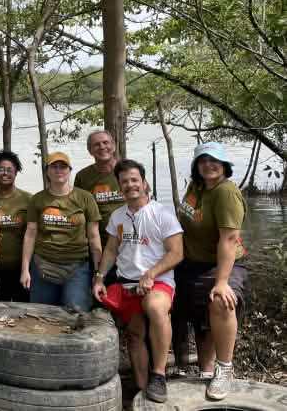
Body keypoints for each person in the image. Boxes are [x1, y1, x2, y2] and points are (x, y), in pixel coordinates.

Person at [93, 159, 183, 403]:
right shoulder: (118, 216)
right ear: (119, 187)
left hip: (159, 281)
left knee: (155, 307)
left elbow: (177, 252)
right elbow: (111, 249)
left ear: (144, 183)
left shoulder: (162, 214)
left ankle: (159, 375)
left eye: (134, 180)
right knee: (134, 334)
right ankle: (142, 389)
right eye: (124, 182)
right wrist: (100, 277)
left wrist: (151, 274)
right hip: (126, 282)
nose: (130, 185)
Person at [174, 142, 248, 400]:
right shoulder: (196, 187)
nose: (208, 164)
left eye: (214, 160)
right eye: (202, 160)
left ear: (224, 164)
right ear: (196, 166)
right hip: (192, 263)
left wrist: (222, 281)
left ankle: (225, 369)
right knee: (198, 315)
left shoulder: (226, 193)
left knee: (220, 301)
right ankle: (206, 371)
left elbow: (228, 239)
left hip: (222, 264)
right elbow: (186, 220)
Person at [21, 151, 102, 311]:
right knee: (42, 315)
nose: (59, 170)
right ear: (47, 171)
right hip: (43, 266)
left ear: (69, 170)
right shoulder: (37, 199)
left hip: (77, 267)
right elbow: (30, 234)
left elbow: (94, 236)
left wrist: (98, 273)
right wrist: (25, 269)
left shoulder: (85, 198)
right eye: (54, 167)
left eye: (63, 167)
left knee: (76, 313)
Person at [74, 130, 125, 285]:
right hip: (99, 245)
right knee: (102, 291)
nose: (102, 147)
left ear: (114, 146)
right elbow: (79, 211)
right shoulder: (83, 176)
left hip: (129, 243)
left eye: (105, 143)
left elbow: (144, 203)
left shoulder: (128, 170)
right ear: (90, 151)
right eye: (96, 145)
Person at [0, 150, 33, 302]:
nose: (5, 173)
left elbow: (32, 234)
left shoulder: (28, 199)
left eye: (9, 169)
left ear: (16, 172)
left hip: (21, 269)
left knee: (22, 314)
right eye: (0, 169)